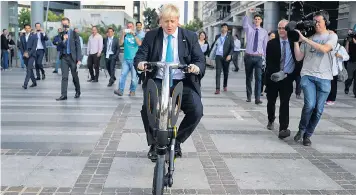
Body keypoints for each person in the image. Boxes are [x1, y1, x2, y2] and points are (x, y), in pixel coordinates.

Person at [134, 3, 205, 161]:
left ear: (178, 20)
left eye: (173, 21)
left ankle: (177, 141)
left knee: (197, 110)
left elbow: (200, 60)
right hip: (158, 79)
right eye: (166, 21)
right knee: (148, 107)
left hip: (182, 81)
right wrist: (140, 64)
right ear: (160, 21)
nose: (169, 25)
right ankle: (154, 144)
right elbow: (140, 56)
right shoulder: (152, 36)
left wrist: (195, 67)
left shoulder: (190, 37)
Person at [293, 11, 338, 146]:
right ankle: (301, 130)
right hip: (308, 75)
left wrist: (305, 39)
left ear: (326, 22)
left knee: (318, 110)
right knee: (309, 105)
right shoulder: (309, 35)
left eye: (319, 21)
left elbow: (324, 49)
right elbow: (299, 57)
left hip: (325, 77)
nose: (316, 24)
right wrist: (296, 40)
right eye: (314, 21)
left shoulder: (332, 36)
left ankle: (308, 134)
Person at [265, 19, 301, 139]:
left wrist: (294, 76)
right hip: (274, 77)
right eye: (279, 28)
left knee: (284, 103)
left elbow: (298, 61)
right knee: (271, 102)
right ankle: (271, 119)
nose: (281, 30)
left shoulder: (294, 43)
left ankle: (283, 128)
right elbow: (269, 63)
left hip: (287, 78)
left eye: (284, 28)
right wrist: (274, 75)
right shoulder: (271, 43)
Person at [243, 14, 268, 104]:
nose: (257, 20)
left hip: (258, 57)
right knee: (248, 78)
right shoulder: (249, 29)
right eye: (255, 19)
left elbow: (265, 46)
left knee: (258, 78)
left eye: (258, 19)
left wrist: (265, 58)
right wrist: (248, 13)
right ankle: (249, 96)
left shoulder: (264, 32)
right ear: (253, 21)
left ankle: (257, 98)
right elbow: (245, 24)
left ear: (261, 21)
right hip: (249, 56)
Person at [56, 17, 82, 101]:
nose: (65, 26)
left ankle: (78, 91)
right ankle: (64, 95)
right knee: (64, 77)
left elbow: (78, 47)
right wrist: (63, 40)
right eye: (63, 24)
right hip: (64, 57)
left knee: (74, 76)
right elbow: (58, 46)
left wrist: (79, 59)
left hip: (72, 58)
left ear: (69, 24)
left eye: (66, 24)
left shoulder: (74, 34)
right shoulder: (60, 34)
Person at [114, 22, 142, 96]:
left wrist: (134, 34)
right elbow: (120, 43)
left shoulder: (137, 35)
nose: (129, 28)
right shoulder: (125, 36)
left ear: (133, 28)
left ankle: (132, 90)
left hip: (134, 60)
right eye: (128, 27)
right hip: (126, 59)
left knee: (133, 78)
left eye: (131, 26)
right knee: (123, 75)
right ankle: (121, 90)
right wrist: (122, 34)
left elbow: (139, 43)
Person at [210, 23, 234, 94]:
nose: (223, 29)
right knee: (218, 72)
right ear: (221, 28)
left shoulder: (230, 37)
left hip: (226, 57)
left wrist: (230, 55)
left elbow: (232, 47)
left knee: (225, 72)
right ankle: (217, 89)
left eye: (225, 27)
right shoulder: (217, 36)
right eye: (222, 27)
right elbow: (214, 46)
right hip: (218, 56)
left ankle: (225, 85)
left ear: (227, 29)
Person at [20, 24, 37, 89]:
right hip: (24, 55)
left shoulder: (34, 36)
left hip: (32, 55)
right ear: (24, 29)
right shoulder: (22, 36)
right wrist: (23, 53)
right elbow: (21, 46)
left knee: (28, 69)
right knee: (30, 69)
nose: (27, 29)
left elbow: (34, 47)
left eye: (28, 28)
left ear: (30, 29)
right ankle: (34, 82)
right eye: (26, 28)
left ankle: (25, 84)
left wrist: (28, 54)